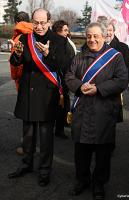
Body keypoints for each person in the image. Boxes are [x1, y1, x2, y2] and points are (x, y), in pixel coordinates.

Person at [65, 22, 128, 200]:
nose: (92, 39)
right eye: (89, 36)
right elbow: (69, 75)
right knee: (81, 152)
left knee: (102, 154)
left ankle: (99, 184)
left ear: (103, 36)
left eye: (95, 36)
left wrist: (98, 88)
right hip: (82, 112)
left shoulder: (115, 57)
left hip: (104, 111)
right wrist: (79, 85)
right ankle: (82, 180)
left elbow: (122, 79)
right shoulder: (79, 56)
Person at [8, 8, 67, 187]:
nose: (39, 26)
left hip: (47, 95)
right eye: (36, 22)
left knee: (45, 136)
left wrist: (48, 54)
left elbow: (63, 65)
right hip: (28, 92)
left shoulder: (59, 40)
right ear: (32, 22)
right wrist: (17, 55)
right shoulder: (25, 39)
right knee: (27, 135)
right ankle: (26, 164)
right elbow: (15, 62)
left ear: (49, 22)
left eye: (43, 22)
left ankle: (44, 170)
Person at [9, 11, 33, 155]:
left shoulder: (18, 37)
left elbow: (15, 64)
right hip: (38, 78)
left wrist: (15, 78)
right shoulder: (36, 34)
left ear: (17, 22)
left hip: (23, 78)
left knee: (27, 114)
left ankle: (27, 147)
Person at [52, 20, 76, 139]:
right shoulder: (59, 42)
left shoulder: (64, 41)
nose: (68, 32)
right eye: (65, 30)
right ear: (58, 30)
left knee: (62, 105)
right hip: (60, 79)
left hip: (62, 78)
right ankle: (59, 129)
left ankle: (59, 127)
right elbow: (64, 62)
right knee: (61, 105)